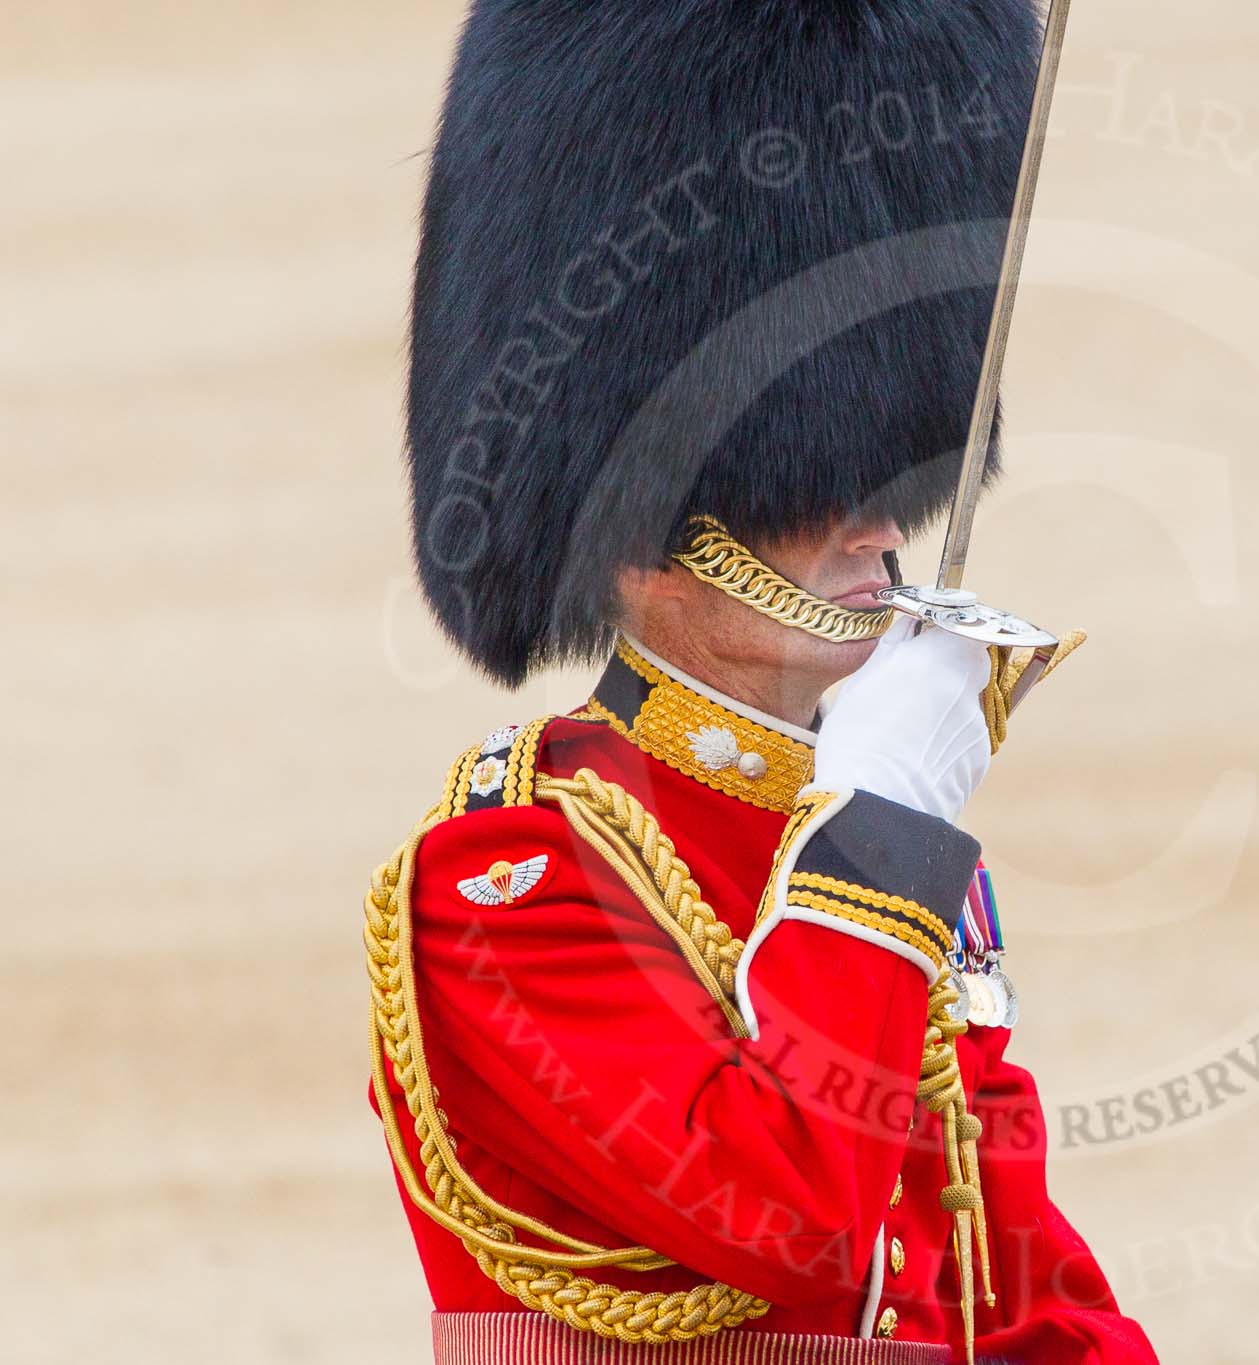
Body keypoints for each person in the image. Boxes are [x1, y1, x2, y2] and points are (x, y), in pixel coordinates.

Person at [362, 3, 1158, 1363]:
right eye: (807, 483)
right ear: (640, 536)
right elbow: (786, 1207)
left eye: (883, 470)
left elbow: (1008, 1277)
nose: (878, 522)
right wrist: (882, 822)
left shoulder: (853, 832)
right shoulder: (507, 881)